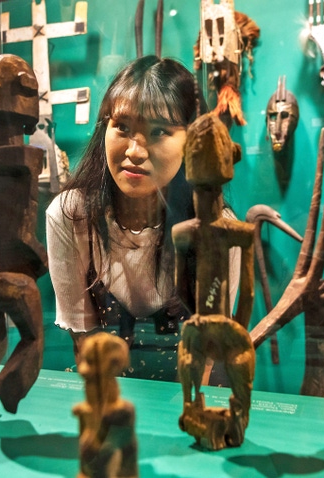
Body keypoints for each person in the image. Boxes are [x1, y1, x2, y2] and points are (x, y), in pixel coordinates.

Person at [46, 56, 240, 381]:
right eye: (122, 127)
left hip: (194, 392)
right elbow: (83, 344)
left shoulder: (216, 229)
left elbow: (209, 351)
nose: (135, 151)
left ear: (192, 141)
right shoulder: (71, 214)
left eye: (159, 130)